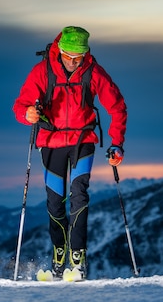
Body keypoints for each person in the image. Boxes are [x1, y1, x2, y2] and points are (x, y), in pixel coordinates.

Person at [13, 26, 127, 280]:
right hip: (51, 140)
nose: (73, 63)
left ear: (86, 54)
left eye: (79, 58)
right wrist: (27, 114)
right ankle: (59, 253)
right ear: (59, 51)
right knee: (55, 201)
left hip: (82, 140)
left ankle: (78, 258)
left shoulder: (93, 72)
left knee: (79, 195)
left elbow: (117, 106)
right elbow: (20, 105)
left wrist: (116, 143)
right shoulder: (42, 72)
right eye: (68, 57)